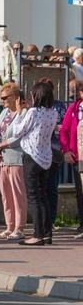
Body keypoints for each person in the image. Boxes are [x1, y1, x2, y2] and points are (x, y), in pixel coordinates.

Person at [8, 82, 58, 246]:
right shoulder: (53, 113)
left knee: (34, 197)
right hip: (45, 157)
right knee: (43, 196)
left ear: (36, 96)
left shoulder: (32, 112)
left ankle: (37, 235)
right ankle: (46, 233)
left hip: (31, 156)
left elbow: (17, 131)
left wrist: (20, 112)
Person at [0, 83, 27, 240]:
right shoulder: (4, 112)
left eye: (5, 97)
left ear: (15, 97)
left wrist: (0, 145)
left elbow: (19, 136)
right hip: (1, 159)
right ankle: (9, 225)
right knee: (6, 194)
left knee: (18, 193)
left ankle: (20, 226)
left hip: (16, 157)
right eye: (1, 97)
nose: (2, 100)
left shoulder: (23, 113)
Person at [59, 80, 83, 233]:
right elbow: (64, 131)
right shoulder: (74, 109)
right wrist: (67, 150)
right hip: (79, 156)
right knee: (80, 191)